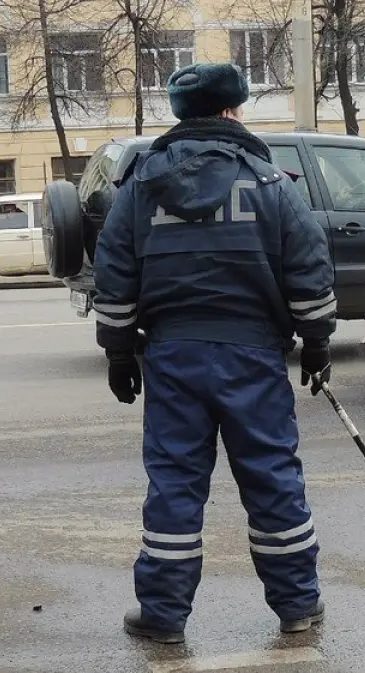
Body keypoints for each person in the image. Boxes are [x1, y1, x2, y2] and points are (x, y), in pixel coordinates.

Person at [92, 62, 336, 645]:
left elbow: (114, 274)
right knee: (273, 480)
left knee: (175, 485)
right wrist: (318, 341)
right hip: (252, 357)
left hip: (173, 359)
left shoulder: (140, 189)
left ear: (182, 114)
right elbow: (308, 267)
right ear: (232, 111)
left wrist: (119, 352)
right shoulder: (272, 185)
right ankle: (298, 606)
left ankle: (163, 617)